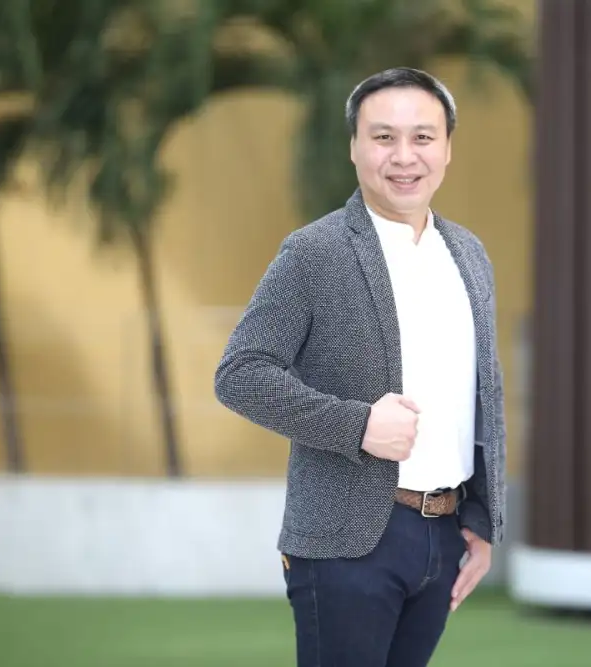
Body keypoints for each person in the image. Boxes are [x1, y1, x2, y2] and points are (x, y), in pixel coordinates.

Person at [214, 66, 506, 667]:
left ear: (447, 148)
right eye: (383, 137)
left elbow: (481, 398)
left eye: (422, 137)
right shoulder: (313, 252)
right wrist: (358, 426)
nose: (404, 156)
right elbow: (240, 373)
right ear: (354, 146)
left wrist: (480, 518)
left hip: (443, 534)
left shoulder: (469, 255)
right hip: (348, 541)